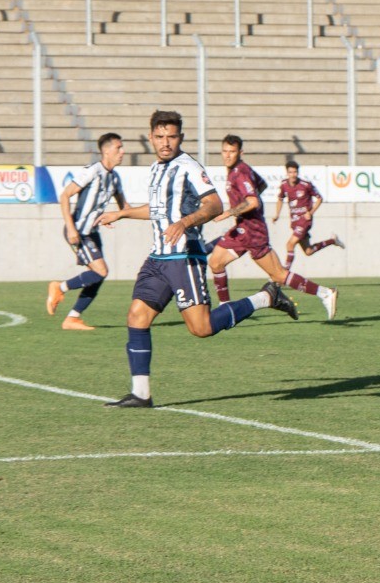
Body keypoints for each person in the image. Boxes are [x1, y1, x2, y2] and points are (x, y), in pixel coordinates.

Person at [97, 112, 300, 408]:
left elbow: (214, 203)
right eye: (160, 136)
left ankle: (266, 297)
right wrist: (123, 213)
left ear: (181, 138)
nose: (166, 143)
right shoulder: (155, 169)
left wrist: (186, 221)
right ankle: (141, 393)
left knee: (201, 328)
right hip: (158, 258)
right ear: (151, 137)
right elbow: (158, 209)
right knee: (137, 317)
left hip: (184, 257)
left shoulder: (188, 167)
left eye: (172, 137)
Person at [207, 137, 338, 319]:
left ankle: (325, 293)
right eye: (225, 151)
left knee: (278, 275)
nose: (227, 155)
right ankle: (225, 307)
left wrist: (230, 212)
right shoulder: (240, 171)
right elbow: (262, 185)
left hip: (253, 232)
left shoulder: (240, 173)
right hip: (241, 229)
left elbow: (252, 201)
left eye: (232, 152)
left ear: (240, 153)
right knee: (215, 262)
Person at [46, 132, 127, 331]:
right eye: (118, 148)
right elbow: (65, 195)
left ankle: (72, 318)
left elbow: (125, 207)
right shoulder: (93, 171)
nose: (122, 152)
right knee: (101, 271)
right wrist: (71, 227)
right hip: (79, 231)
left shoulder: (115, 178)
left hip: (92, 232)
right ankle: (60, 287)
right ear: (106, 150)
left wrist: (113, 216)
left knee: (98, 275)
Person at [273, 160, 343, 269]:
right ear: (287, 173)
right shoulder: (284, 185)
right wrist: (277, 214)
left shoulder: (305, 185)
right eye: (290, 172)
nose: (293, 175)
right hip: (295, 221)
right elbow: (280, 199)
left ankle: (284, 273)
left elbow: (319, 198)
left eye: (295, 172)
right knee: (308, 251)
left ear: (298, 172)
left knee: (290, 244)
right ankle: (332, 241)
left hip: (305, 221)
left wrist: (310, 212)